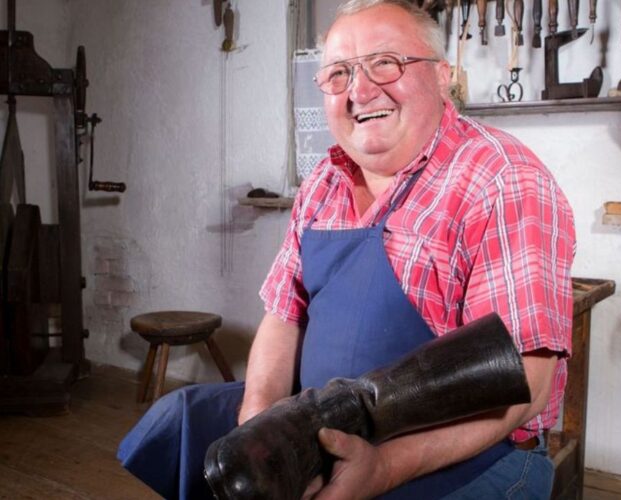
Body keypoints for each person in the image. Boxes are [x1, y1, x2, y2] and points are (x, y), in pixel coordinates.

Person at [118, 1, 575, 499]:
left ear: (442, 77)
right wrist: (260, 423)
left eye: (385, 63)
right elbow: (283, 315)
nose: (359, 90)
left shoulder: (502, 179)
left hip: (471, 452)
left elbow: (527, 385)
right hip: (323, 419)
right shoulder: (324, 180)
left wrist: (384, 468)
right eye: (339, 73)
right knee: (181, 424)